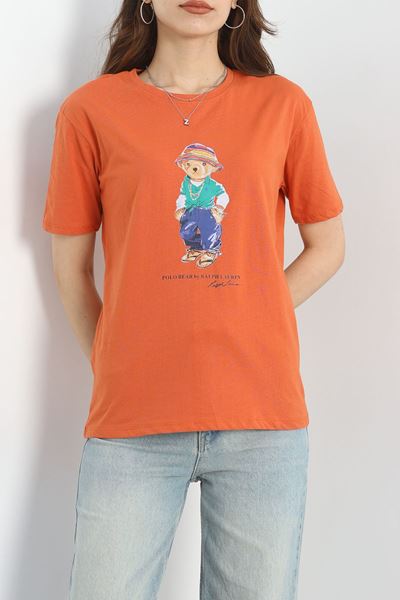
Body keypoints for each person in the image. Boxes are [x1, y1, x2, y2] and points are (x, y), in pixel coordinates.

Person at [42, 0, 345, 597]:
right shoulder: (91, 111)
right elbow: (71, 268)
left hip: (261, 417)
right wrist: (111, 360)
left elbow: (328, 246)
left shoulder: (283, 105)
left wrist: (252, 310)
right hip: (133, 419)